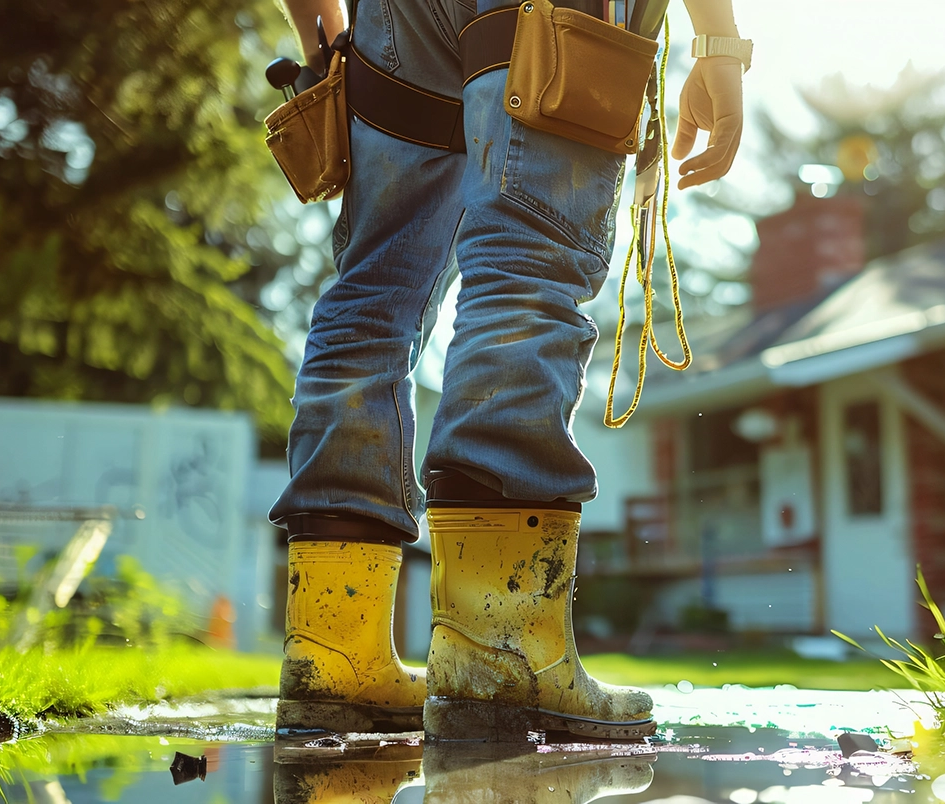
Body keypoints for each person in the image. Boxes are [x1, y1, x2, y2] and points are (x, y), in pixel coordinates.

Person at [268, 0, 748, 740]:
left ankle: (333, 653)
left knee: (368, 301)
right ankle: (503, 647)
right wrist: (717, 36)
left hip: (390, 22)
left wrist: (319, 31)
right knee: (527, 263)